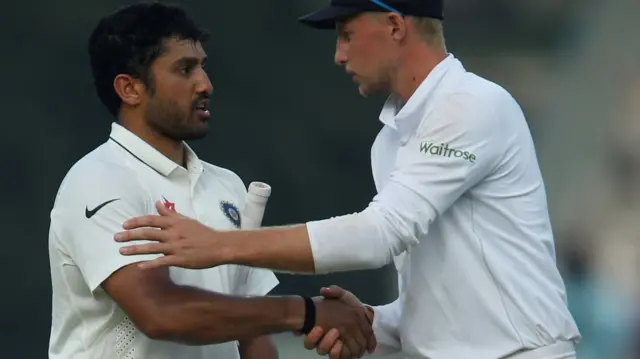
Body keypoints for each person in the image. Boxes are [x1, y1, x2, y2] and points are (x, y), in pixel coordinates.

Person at [114, 0, 582, 358]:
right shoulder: (394, 138)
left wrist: (216, 245)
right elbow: (441, 300)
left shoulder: (472, 105)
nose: (338, 55)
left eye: (346, 34)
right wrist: (366, 321)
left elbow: (377, 236)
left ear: (395, 26)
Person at [47, 2, 375, 359]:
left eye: (202, 66)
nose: (206, 84)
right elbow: (160, 312)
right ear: (130, 89)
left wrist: (326, 321)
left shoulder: (226, 185)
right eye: (184, 69)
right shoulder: (100, 180)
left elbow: (253, 338)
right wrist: (305, 312)